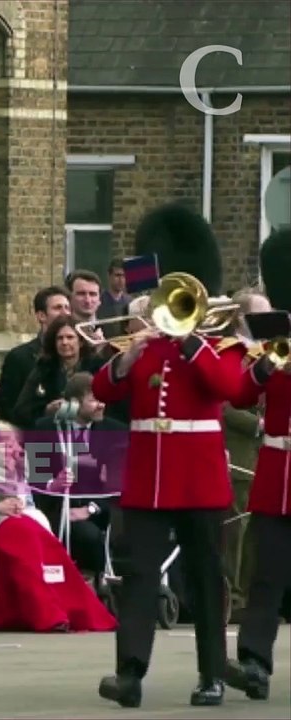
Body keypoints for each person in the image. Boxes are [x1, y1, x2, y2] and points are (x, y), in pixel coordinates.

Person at [92, 203, 245, 708]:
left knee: (205, 579)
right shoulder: (144, 346)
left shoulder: (211, 345)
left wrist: (193, 343)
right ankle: (130, 673)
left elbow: (231, 387)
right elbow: (103, 389)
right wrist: (125, 359)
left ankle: (211, 675)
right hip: (147, 479)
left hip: (198, 479)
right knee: (138, 578)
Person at [224, 227, 291, 702]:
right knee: (264, 573)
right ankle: (253, 661)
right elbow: (243, 393)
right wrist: (268, 363)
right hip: (278, 468)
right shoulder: (276, 336)